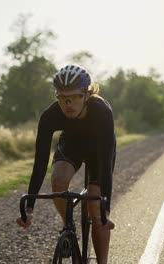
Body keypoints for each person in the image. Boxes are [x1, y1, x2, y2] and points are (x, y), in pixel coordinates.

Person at [16, 64, 116, 263]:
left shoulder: (102, 111)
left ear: (87, 94)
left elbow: (105, 163)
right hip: (72, 144)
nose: (68, 104)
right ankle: (68, 224)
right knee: (58, 180)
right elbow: (40, 162)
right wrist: (29, 209)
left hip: (99, 149)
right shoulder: (50, 116)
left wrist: (106, 208)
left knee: (95, 203)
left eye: (75, 97)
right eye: (62, 98)